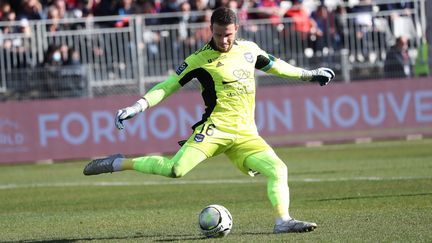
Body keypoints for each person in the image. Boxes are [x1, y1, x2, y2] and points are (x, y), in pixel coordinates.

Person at [83, 7, 334, 234]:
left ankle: (283, 221)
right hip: (214, 130)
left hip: (246, 134)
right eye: (218, 35)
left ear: (236, 29)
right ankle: (119, 163)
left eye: (228, 35)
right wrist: (138, 105)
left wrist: (309, 75)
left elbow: (277, 66)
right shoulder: (198, 60)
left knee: (278, 169)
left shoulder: (249, 50)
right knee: (175, 170)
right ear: (210, 30)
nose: (223, 40)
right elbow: (168, 86)